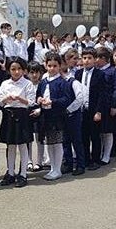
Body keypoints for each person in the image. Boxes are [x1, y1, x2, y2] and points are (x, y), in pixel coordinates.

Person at [33, 52, 73, 180]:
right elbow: (38, 95)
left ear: (59, 66)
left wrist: (53, 102)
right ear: (45, 65)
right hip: (46, 116)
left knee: (57, 143)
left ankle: (57, 169)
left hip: (57, 116)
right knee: (49, 143)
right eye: (49, 66)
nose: (52, 68)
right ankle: (52, 168)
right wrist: (39, 100)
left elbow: (66, 99)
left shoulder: (62, 82)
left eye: (55, 66)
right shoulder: (43, 82)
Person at [0, 57, 36, 188]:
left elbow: (31, 102)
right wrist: (6, 99)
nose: (16, 72)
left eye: (19, 69)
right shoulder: (5, 84)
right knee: (11, 145)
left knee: (23, 145)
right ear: (9, 70)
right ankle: (10, 173)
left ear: (24, 70)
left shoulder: (27, 83)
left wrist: (20, 99)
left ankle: (23, 174)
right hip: (9, 115)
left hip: (22, 115)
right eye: (13, 69)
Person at [75, 48, 107, 171]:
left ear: (95, 60)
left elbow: (102, 94)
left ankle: (95, 159)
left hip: (93, 110)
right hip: (81, 110)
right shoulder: (78, 74)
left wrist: (99, 111)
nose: (87, 61)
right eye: (84, 58)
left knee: (95, 136)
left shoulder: (100, 74)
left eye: (89, 58)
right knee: (84, 136)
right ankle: (86, 159)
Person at [95, 46, 116, 165]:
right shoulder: (97, 71)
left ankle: (107, 155)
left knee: (107, 131)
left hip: (108, 105)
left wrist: (114, 105)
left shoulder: (113, 71)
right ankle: (100, 153)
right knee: (99, 131)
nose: (96, 60)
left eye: (98, 58)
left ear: (104, 59)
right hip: (98, 105)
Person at [61, 54, 85, 175]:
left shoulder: (72, 81)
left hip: (73, 115)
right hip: (62, 116)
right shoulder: (57, 81)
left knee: (76, 141)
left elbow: (80, 98)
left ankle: (80, 165)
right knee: (65, 140)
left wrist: (69, 110)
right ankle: (68, 164)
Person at [26, 61, 46, 171]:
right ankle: (29, 161)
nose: (34, 75)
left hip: (40, 113)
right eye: (32, 72)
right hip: (27, 112)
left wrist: (40, 109)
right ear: (27, 73)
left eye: (37, 72)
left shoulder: (43, 84)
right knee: (28, 139)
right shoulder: (26, 84)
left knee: (39, 138)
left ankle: (39, 161)